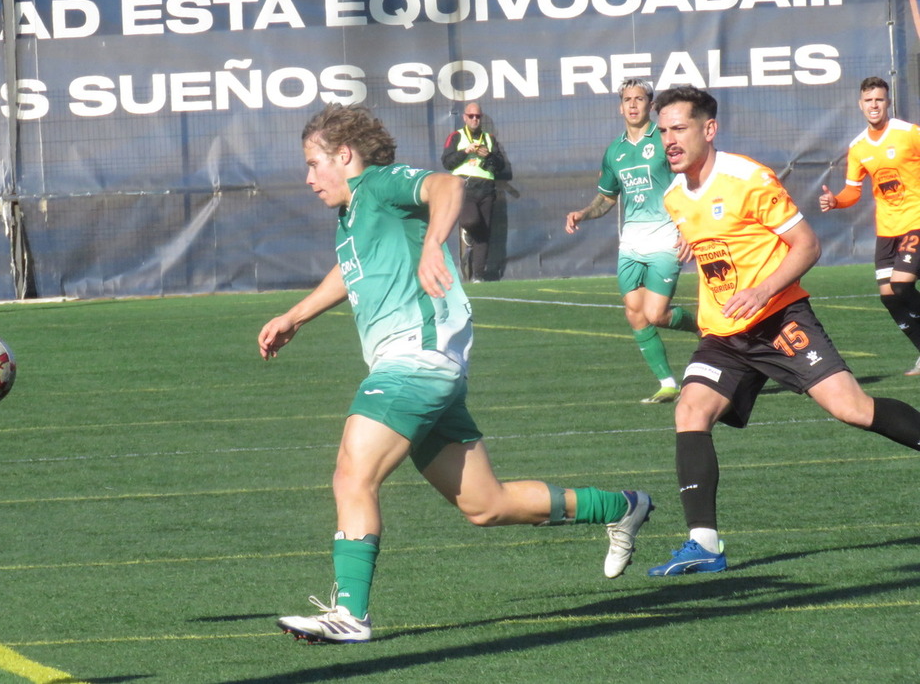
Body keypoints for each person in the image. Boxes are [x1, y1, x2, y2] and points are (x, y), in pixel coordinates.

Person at [259, 103, 653, 643]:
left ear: (344, 156)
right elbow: (353, 270)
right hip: (425, 367)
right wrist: (295, 315)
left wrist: (430, 245)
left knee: (353, 472)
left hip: (415, 358)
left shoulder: (377, 183)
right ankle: (622, 506)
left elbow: (448, 185)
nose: (308, 178)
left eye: (313, 163)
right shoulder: (352, 215)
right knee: (486, 505)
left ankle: (349, 613)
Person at [647, 85, 920, 576]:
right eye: (663, 129)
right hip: (726, 333)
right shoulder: (674, 196)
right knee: (691, 409)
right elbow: (719, 248)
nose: (669, 138)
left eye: (679, 128)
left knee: (853, 409)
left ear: (708, 129)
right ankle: (704, 543)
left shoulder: (748, 177)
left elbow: (806, 245)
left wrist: (762, 290)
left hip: (779, 320)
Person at [565, 79, 698, 405]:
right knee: (634, 313)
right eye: (627, 99)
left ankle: (706, 326)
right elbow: (608, 197)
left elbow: (691, 184)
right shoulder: (615, 151)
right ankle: (668, 383)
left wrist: (689, 229)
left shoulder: (666, 139)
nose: (633, 104)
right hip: (632, 244)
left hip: (666, 237)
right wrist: (584, 212)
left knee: (656, 314)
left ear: (651, 105)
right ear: (620, 106)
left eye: (640, 98)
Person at [819, 76, 920, 376]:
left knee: (902, 284)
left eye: (879, 99)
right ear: (860, 105)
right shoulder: (858, 147)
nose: (874, 105)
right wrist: (836, 201)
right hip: (887, 230)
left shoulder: (909, 133)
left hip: (916, 220)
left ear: (888, 102)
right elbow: (853, 191)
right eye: (868, 100)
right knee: (889, 297)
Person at [441, 102, 514, 282]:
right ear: (464, 117)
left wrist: (487, 156)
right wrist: (466, 151)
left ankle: (478, 275)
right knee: (471, 221)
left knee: (484, 234)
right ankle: (468, 230)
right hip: (464, 186)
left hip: (486, 188)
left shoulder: (489, 138)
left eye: (478, 116)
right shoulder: (456, 136)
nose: (475, 119)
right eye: (471, 116)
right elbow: (447, 162)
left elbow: (500, 166)